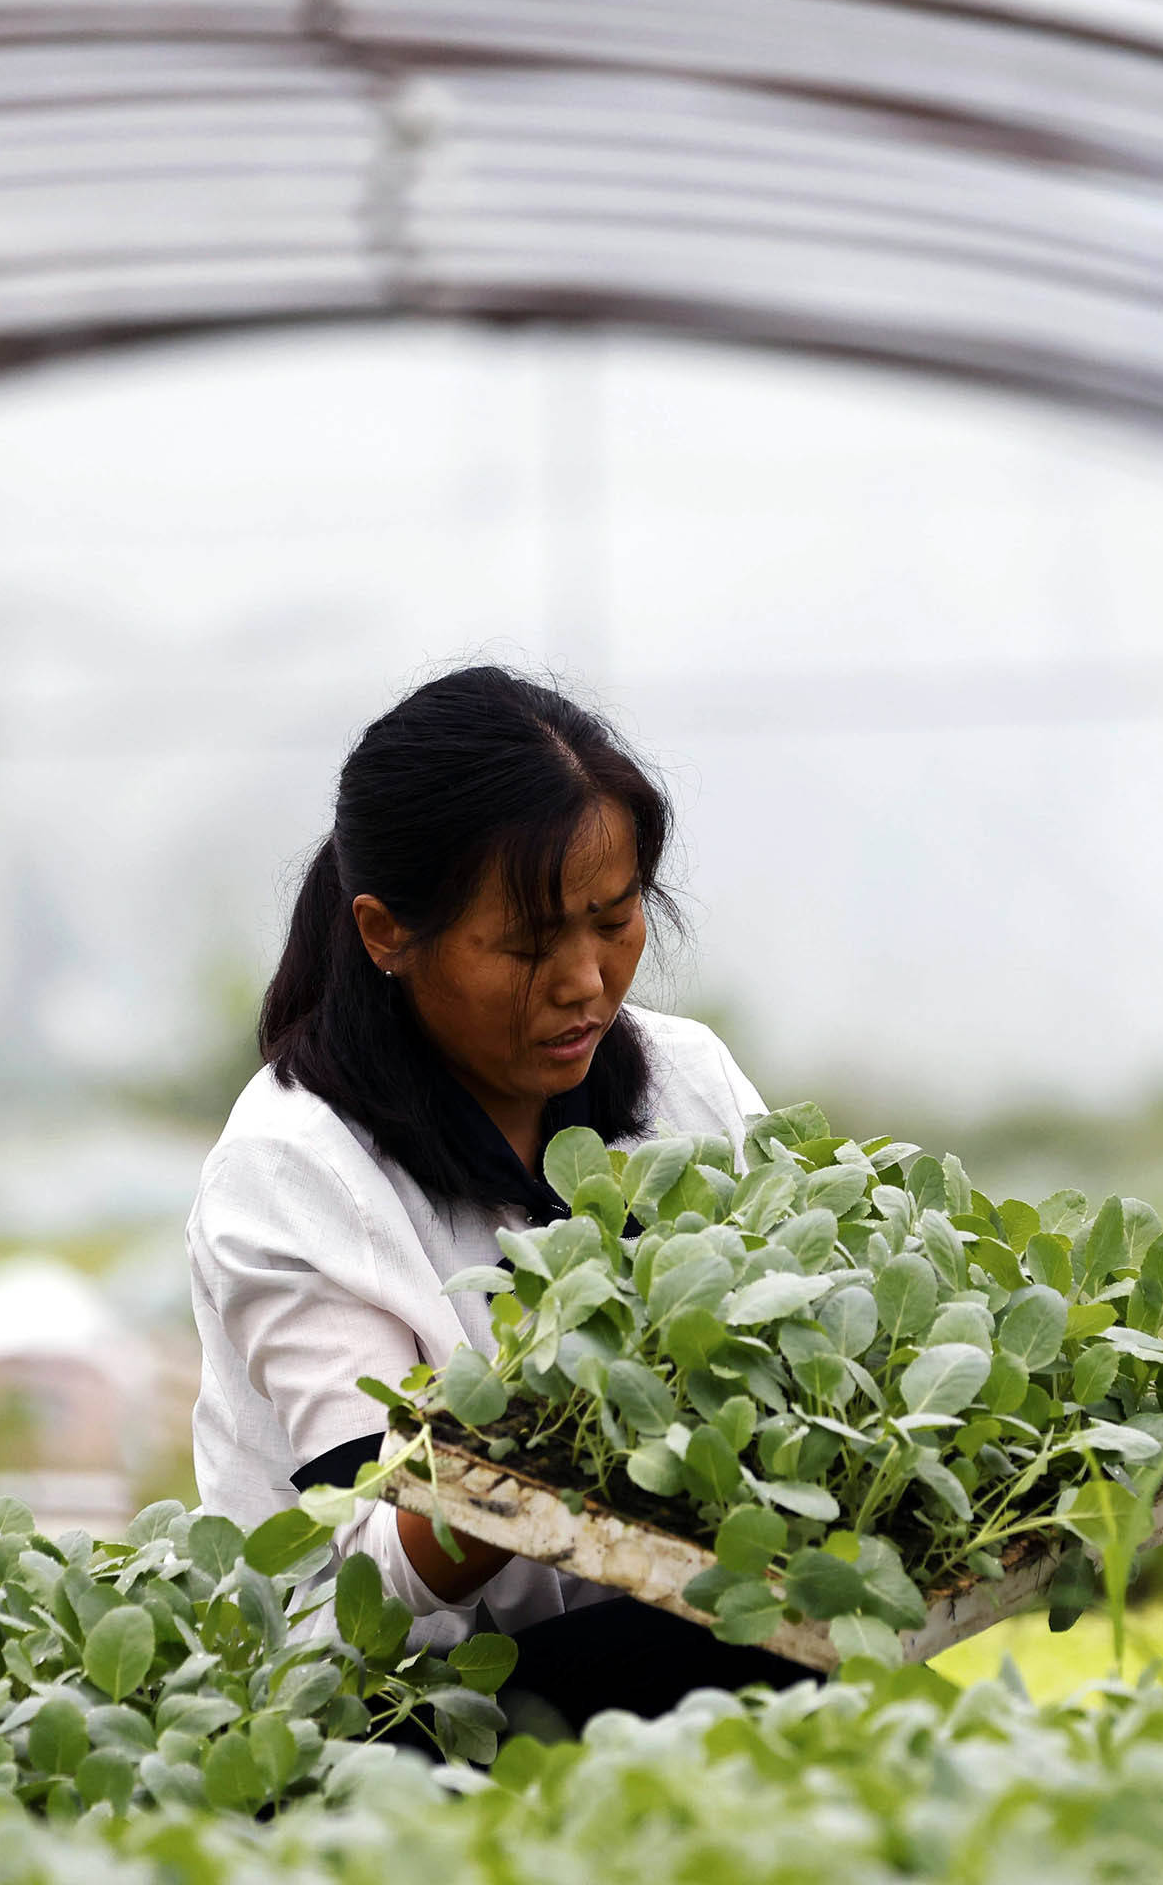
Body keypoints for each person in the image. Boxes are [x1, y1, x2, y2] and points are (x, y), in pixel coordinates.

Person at [185, 664, 820, 1734]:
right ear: (388, 932)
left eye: (614, 919)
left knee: (786, 1654)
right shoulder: (295, 1168)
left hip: (663, 1628)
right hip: (385, 1707)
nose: (585, 979)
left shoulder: (687, 1080)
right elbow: (376, 1570)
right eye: (527, 944)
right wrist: (563, 1414)